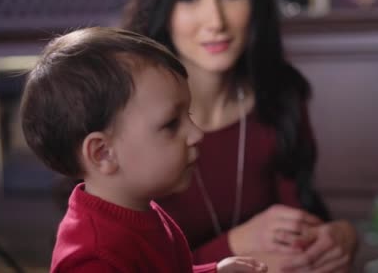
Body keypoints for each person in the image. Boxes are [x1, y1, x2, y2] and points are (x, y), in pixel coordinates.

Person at [122, 0, 358, 271]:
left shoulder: (280, 95)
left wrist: (343, 236)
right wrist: (233, 246)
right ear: (160, 7)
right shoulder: (125, 119)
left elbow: (304, 220)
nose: (216, 21)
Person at [20, 27, 268, 273]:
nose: (196, 134)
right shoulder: (93, 259)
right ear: (103, 153)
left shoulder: (141, 209)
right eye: (171, 124)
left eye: (188, 115)